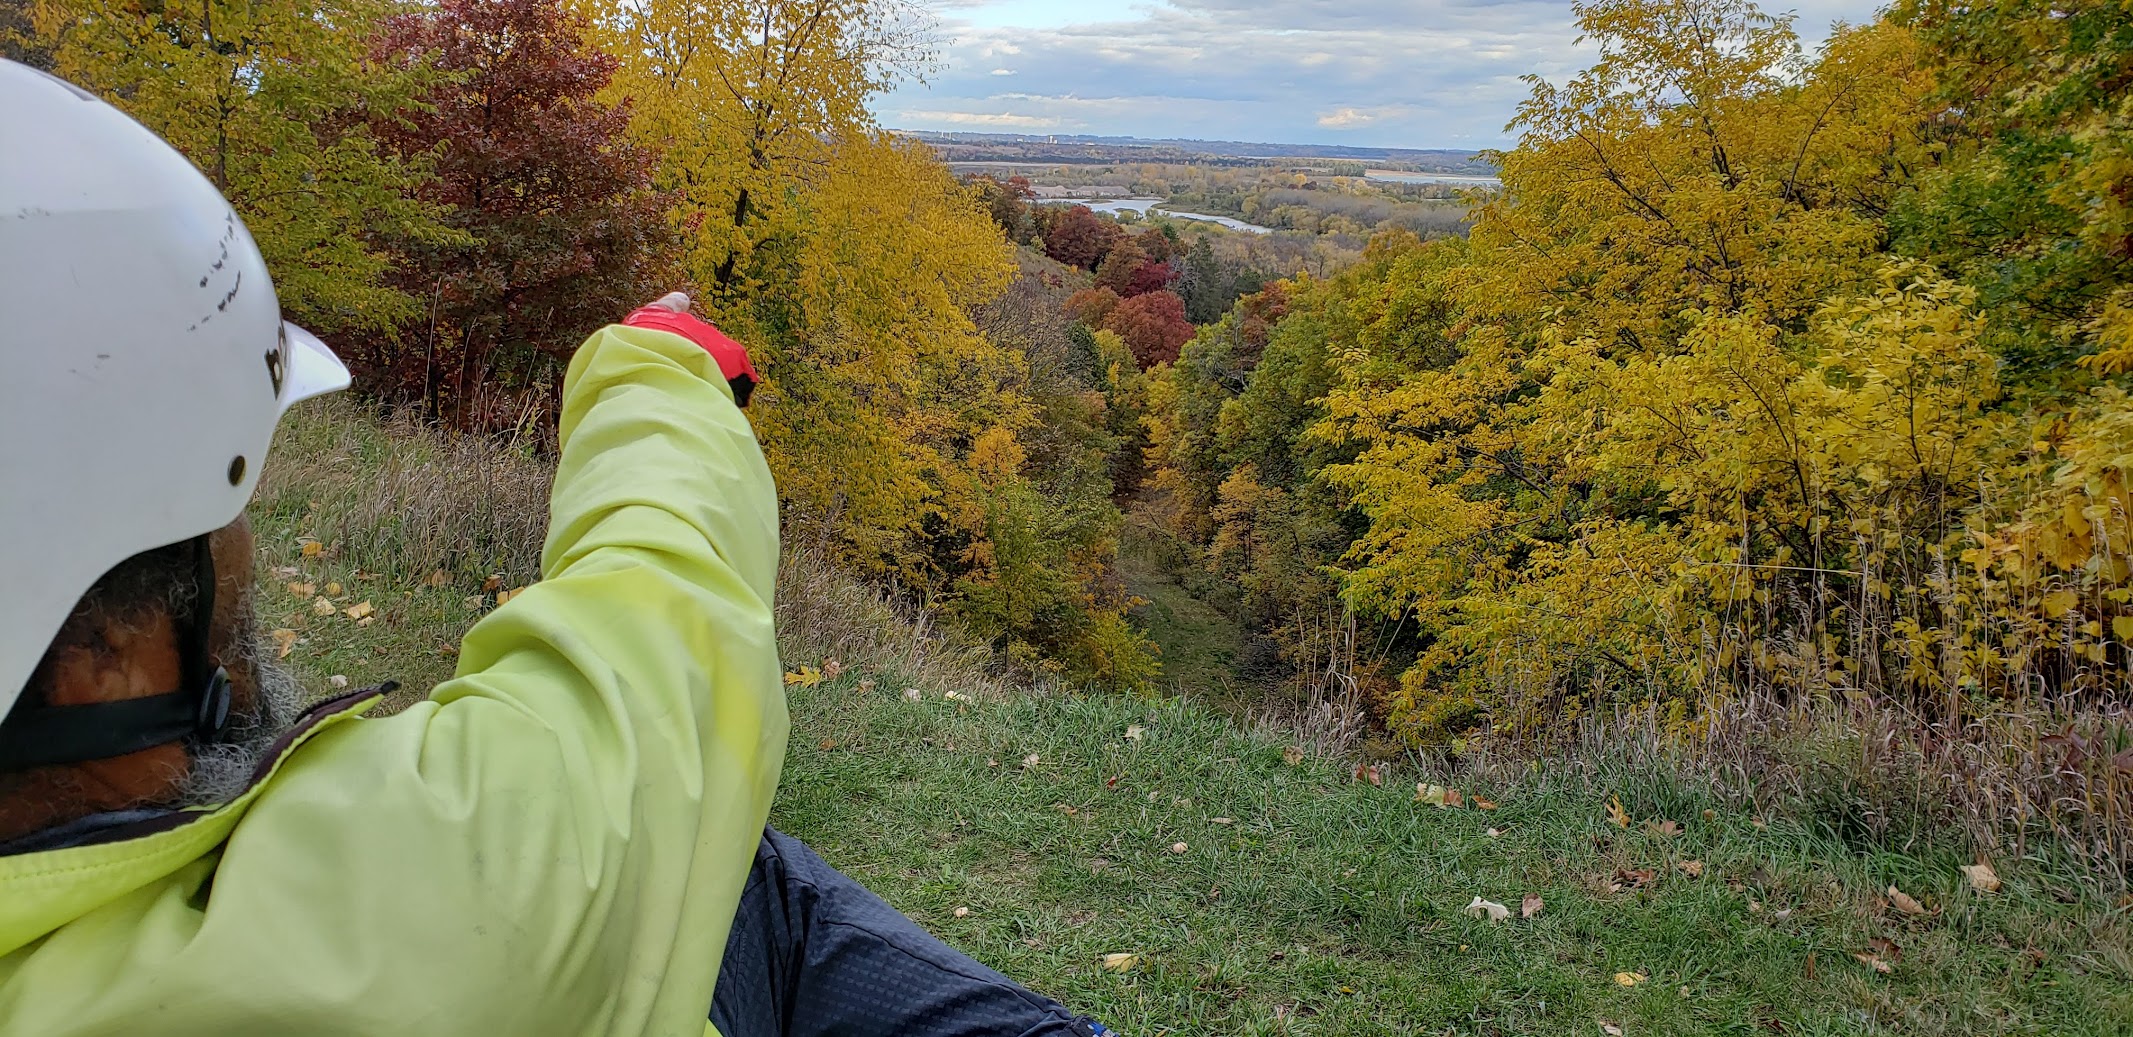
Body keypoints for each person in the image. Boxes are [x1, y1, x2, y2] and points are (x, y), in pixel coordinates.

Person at [0, 59, 1114, 1037]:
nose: (251, 545)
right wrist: (654, 364)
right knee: (717, 856)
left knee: (720, 861)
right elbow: (648, 667)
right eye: (227, 507)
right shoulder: (370, 925)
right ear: (101, 660)